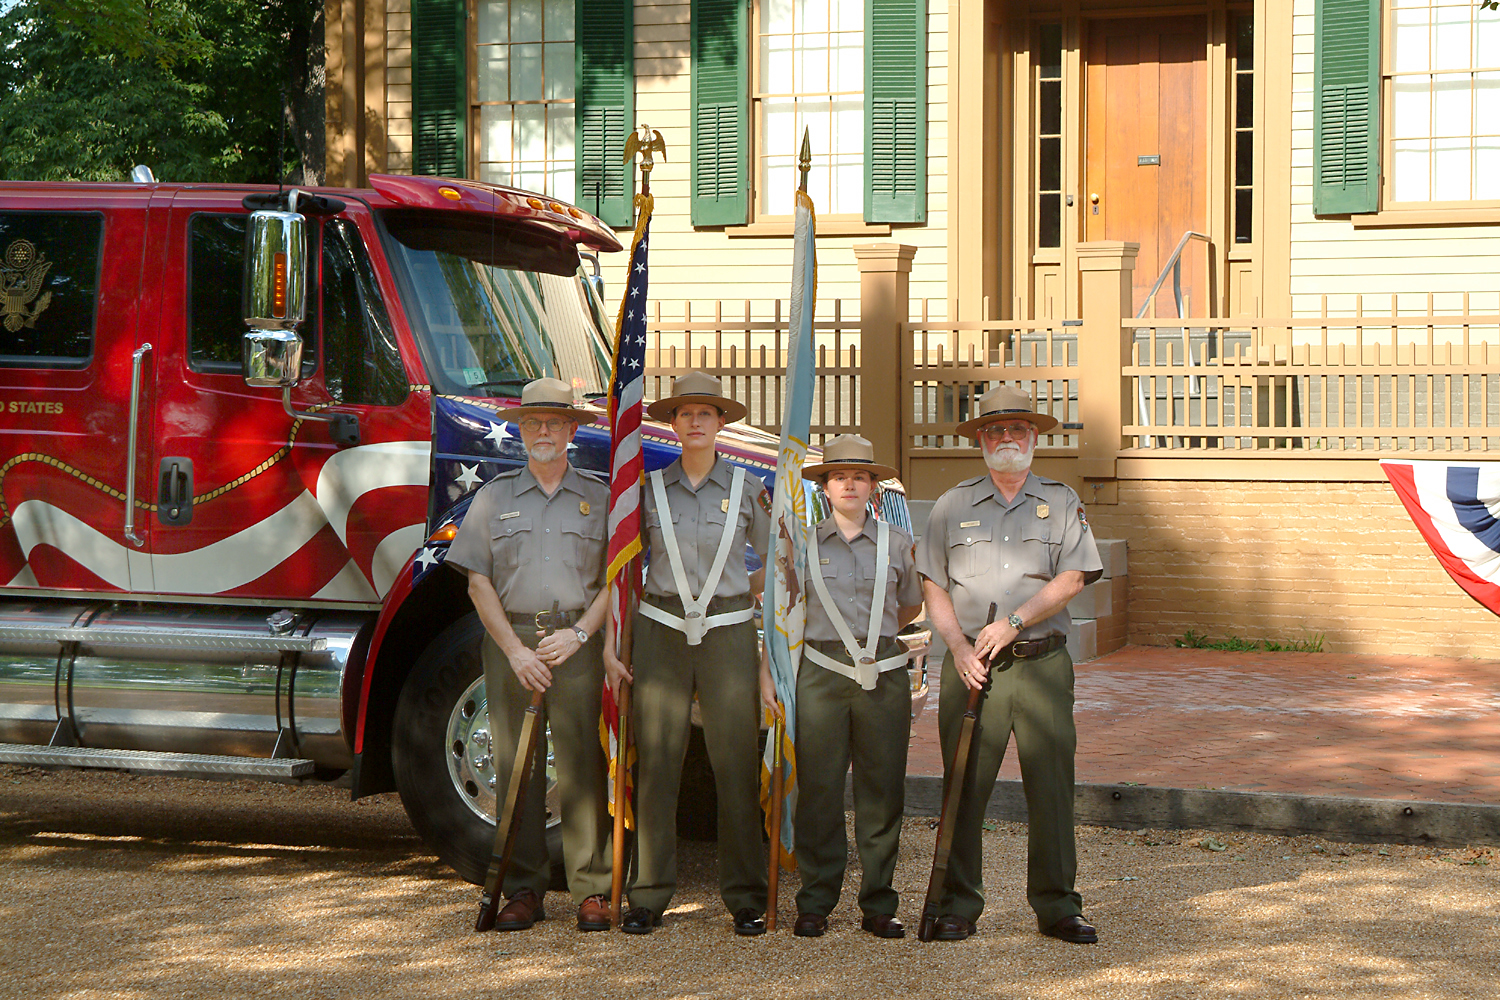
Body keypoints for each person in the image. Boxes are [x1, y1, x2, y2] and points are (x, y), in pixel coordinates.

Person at [914, 383, 1104, 944]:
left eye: (1017, 428)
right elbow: (933, 583)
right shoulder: (952, 504)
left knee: (1051, 784)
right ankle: (957, 905)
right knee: (965, 784)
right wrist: (957, 647)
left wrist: (1015, 622)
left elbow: (1073, 577)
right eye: (995, 429)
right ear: (980, 439)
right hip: (973, 666)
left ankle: (1057, 905)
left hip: (1041, 662)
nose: (1006, 438)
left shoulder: (1062, 501)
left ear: (1033, 437)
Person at [604, 371, 772, 936]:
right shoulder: (648, 490)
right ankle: (648, 892)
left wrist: (742, 596)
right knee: (657, 762)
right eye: (685, 413)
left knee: (735, 765)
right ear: (671, 424)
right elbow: (626, 573)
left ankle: (747, 895)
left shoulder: (749, 488)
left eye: (706, 413)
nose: (696, 422)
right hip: (661, 629)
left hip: (726, 633)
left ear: (722, 422)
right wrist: (616, 645)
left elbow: (780, 562)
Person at [445, 377, 614, 932]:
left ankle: (592, 889)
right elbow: (477, 583)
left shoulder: (601, 497)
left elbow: (614, 581)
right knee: (515, 767)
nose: (544, 431)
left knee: (583, 766)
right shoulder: (493, 497)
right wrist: (516, 651)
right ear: (520, 431)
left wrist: (583, 636)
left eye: (555, 422)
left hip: (575, 645)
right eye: (533, 422)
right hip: (512, 646)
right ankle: (523, 888)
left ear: (570, 431)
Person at [760, 434, 923, 940]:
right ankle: (816, 900)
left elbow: (910, 605)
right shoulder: (803, 545)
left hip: (883, 674)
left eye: (859, 475)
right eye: (838, 476)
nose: (849, 484)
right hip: (822, 674)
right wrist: (769, 670)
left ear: (873, 485)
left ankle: (878, 903)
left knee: (881, 791)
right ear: (824, 487)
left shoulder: (897, 543)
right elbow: (782, 613)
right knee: (821, 792)